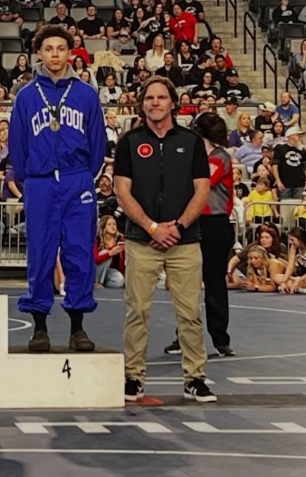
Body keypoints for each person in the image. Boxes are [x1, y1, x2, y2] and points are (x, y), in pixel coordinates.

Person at [114, 76, 216, 404]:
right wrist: (152, 227)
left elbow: (202, 190)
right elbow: (122, 191)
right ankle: (133, 378)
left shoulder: (192, 141)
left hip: (185, 242)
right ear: (141, 104)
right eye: (149, 98)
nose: (155, 103)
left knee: (189, 313)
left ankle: (195, 378)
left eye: (161, 98)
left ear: (173, 102)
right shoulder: (129, 142)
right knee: (137, 312)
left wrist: (178, 226)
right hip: (141, 240)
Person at [9, 25, 106, 352]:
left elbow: (97, 145)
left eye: (60, 49)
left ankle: (78, 326)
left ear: (70, 53)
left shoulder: (86, 94)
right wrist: (32, 179)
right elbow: (17, 146)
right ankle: (40, 326)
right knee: (41, 253)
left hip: (77, 178)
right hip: (39, 182)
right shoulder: (25, 96)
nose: (54, 54)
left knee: (80, 252)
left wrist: (81, 176)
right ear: (39, 53)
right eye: (48, 48)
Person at [164, 112, 236, 358]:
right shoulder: (195, 157)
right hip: (193, 222)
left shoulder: (219, 158)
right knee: (187, 283)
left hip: (214, 222)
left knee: (214, 281)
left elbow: (202, 182)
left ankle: (220, 338)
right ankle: (183, 335)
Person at [272, 125, 306, 200]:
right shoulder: (280, 149)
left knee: (298, 209)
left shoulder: (302, 151)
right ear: (291, 136)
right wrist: (278, 181)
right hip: (285, 184)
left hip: (299, 185)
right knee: (285, 208)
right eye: (298, 135)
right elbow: (275, 166)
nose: (300, 138)